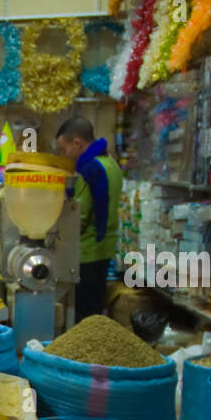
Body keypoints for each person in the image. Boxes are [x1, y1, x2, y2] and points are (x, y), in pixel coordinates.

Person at [55, 116, 123, 323]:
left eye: (64, 149)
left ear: (77, 143)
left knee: (83, 315)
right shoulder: (111, 164)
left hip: (87, 252)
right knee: (94, 309)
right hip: (105, 247)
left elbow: (79, 216)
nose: (65, 155)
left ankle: (82, 354)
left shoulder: (89, 169)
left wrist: (56, 238)